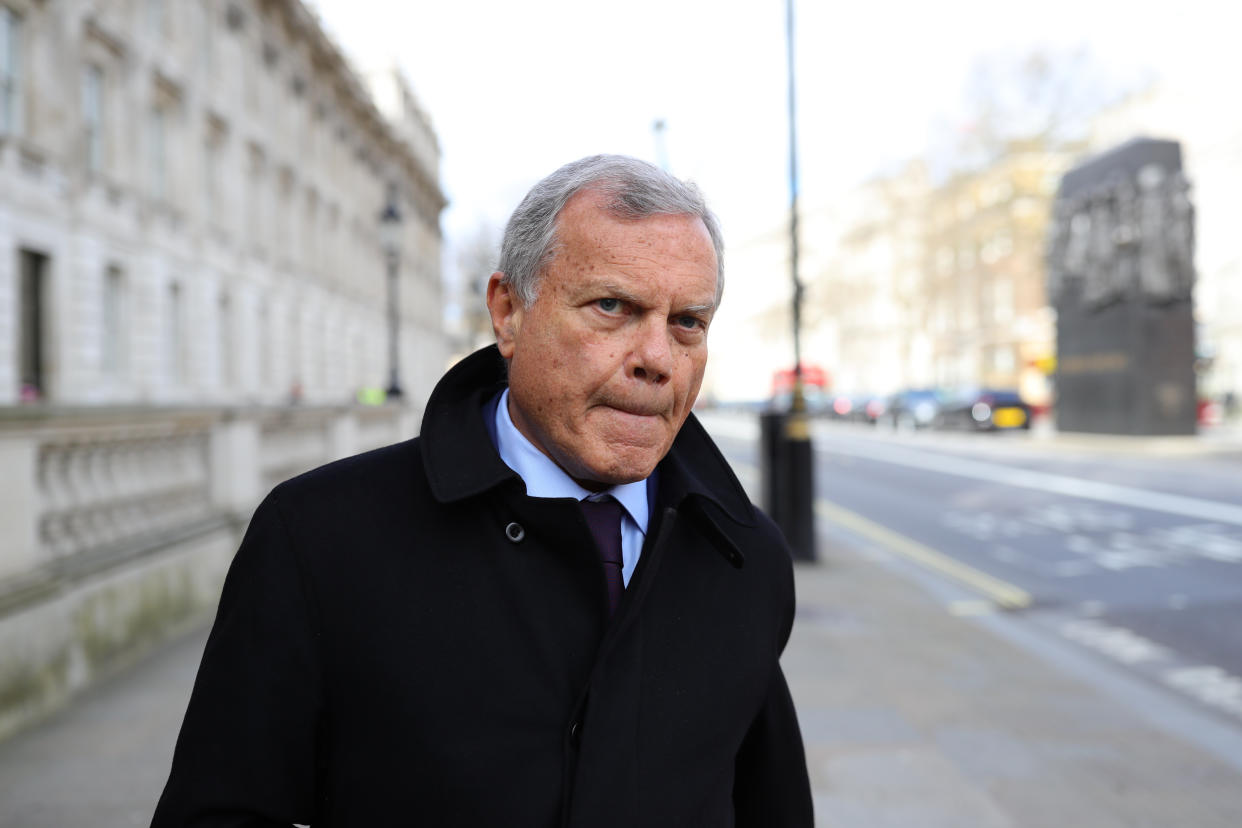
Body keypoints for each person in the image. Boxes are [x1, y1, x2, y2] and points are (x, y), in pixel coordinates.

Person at [152, 155, 813, 827]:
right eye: (611, 306)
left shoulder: (746, 559)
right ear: (509, 313)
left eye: (688, 322)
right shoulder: (320, 540)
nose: (658, 359)